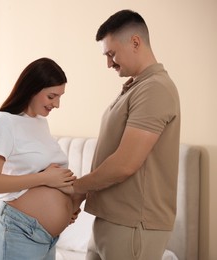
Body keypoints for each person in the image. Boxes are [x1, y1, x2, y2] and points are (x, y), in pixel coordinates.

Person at [72, 9, 181, 260]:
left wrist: (77, 188)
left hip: (133, 226)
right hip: (109, 220)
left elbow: (124, 164)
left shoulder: (155, 89)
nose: (108, 63)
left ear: (135, 42)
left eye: (111, 54)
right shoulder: (135, 87)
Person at [0, 57, 84, 260]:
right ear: (32, 89)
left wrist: (71, 204)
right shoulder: (4, 122)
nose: (57, 104)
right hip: (17, 232)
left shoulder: (40, 123)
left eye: (60, 97)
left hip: (47, 238)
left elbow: (49, 174)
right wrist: (45, 179)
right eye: (52, 96)